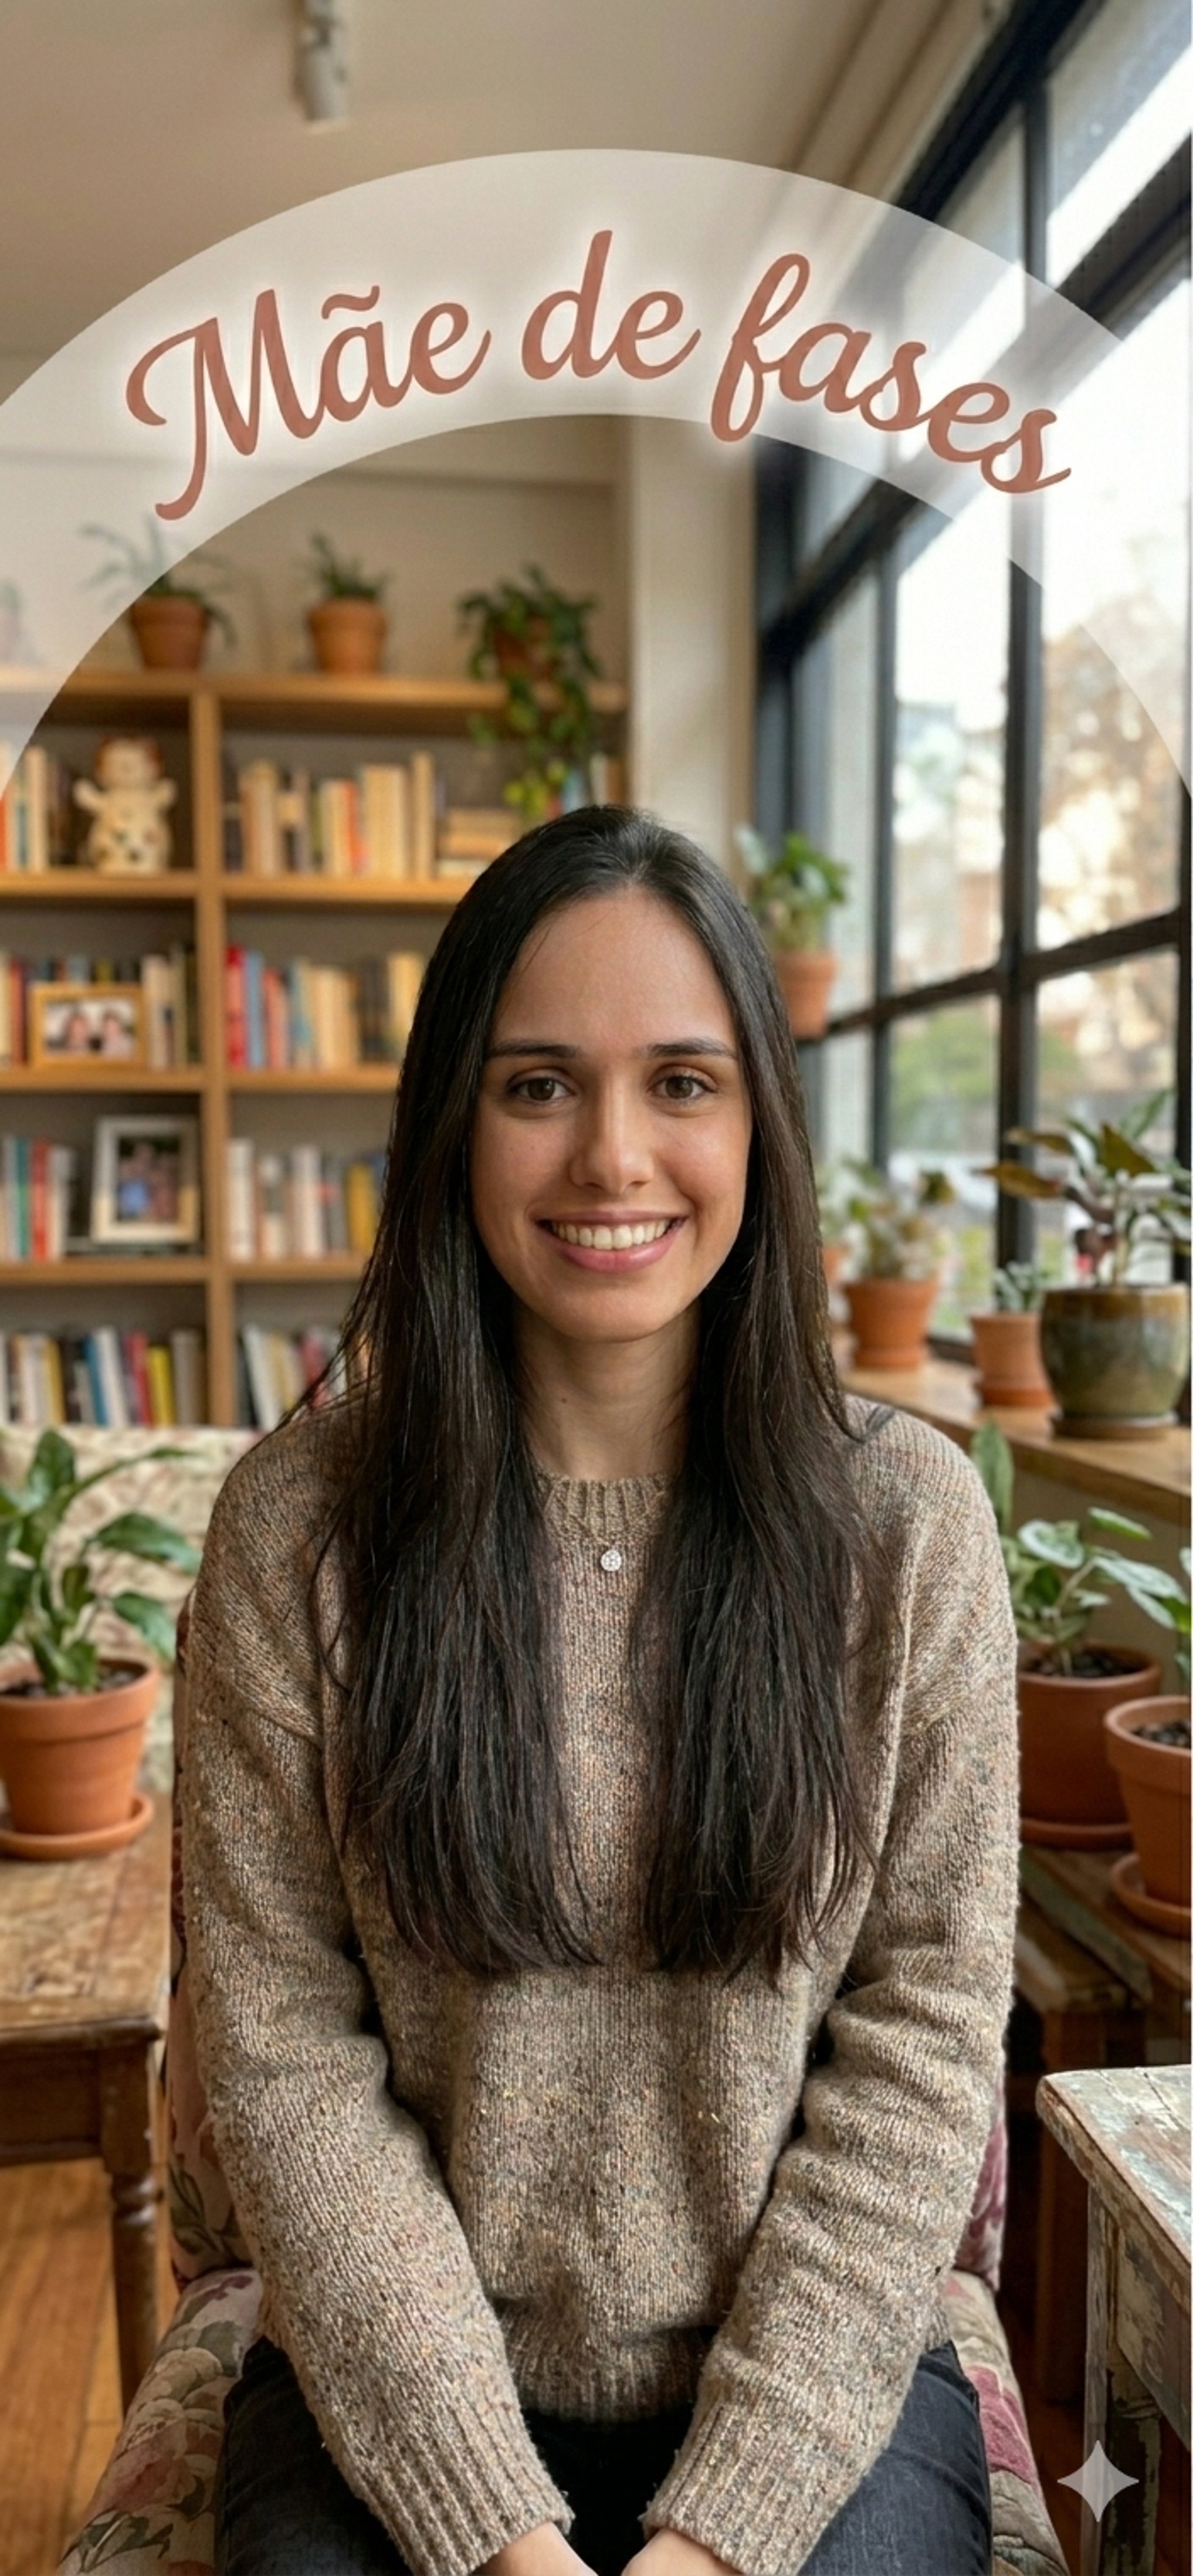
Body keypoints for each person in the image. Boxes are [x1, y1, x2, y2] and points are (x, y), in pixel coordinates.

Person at [183, 807, 1018, 2576]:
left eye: (685, 1084)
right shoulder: (298, 1530)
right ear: (452, 1126)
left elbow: (923, 2044)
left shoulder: (909, 1527)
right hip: (392, 2384)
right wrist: (497, 2531)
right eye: (539, 1084)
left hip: (814, 2383)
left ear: (760, 1124)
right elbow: (281, 2059)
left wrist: (724, 2530)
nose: (613, 1155)